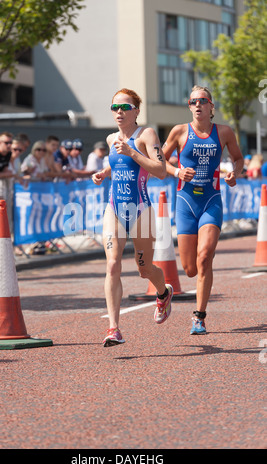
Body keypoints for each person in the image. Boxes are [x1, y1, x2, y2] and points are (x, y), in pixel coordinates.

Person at [92, 88, 173, 347]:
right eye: (115, 107)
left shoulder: (146, 134)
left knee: (143, 269)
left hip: (141, 211)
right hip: (114, 209)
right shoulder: (110, 139)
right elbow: (117, 163)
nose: (119, 112)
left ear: (136, 111)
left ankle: (163, 292)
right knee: (112, 265)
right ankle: (113, 328)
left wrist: (132, 153)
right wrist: (104, 173)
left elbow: (160, 170)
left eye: (125, 107)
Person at [163, 85, 244, 335]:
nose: (197, 105)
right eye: (192, 101)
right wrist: (177, 171)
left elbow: (238, 159)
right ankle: (177, 287)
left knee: (205, 256)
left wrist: (234, 174)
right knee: (190, 269)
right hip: (185, 202)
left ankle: (199, 316)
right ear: (189, 106)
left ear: (211, 106)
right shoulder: (179, 131)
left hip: (211, 200)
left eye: (202, 100)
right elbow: (158, 160)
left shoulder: (224, 131)